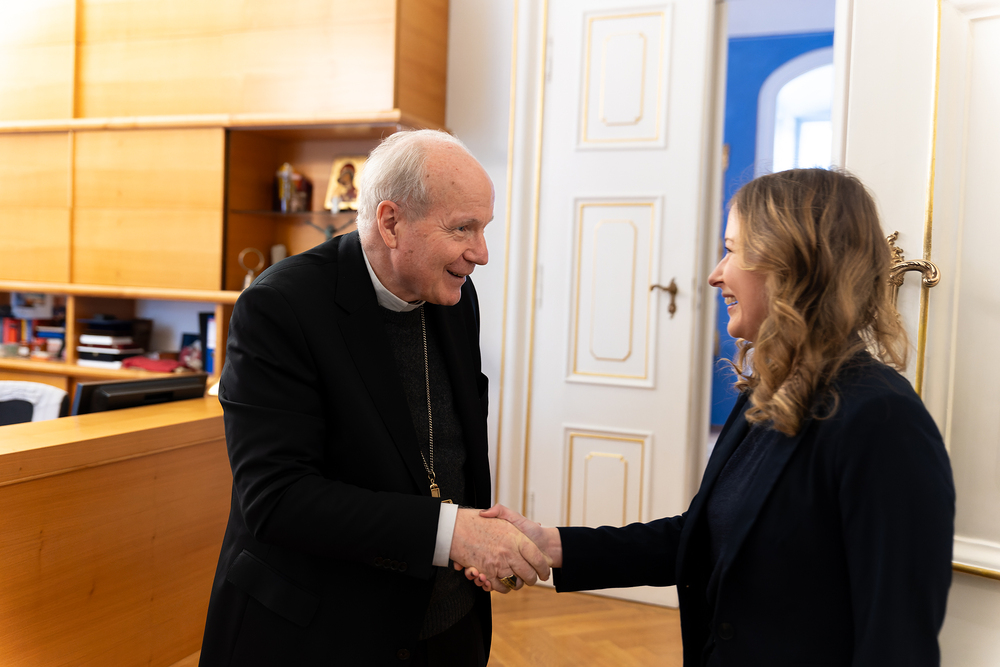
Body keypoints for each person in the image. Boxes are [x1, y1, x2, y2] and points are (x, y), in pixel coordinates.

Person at [465, 169, 955, 666]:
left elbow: (897, 642)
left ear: (793, 264)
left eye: (732, 251)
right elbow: (703, 537)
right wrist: (550, 544)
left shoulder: (884, 420)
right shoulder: (768, 392)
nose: (715, 275)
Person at [199, 129, 550, 667]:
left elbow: (450, 451)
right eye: (463, 228)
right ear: (390, 223)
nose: (481, 253)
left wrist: (475, 538)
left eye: (484, 228)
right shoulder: (280, 306)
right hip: (323, 633)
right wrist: (452, 534)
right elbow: (277, 498)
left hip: (450, 623)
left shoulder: (456, 295)